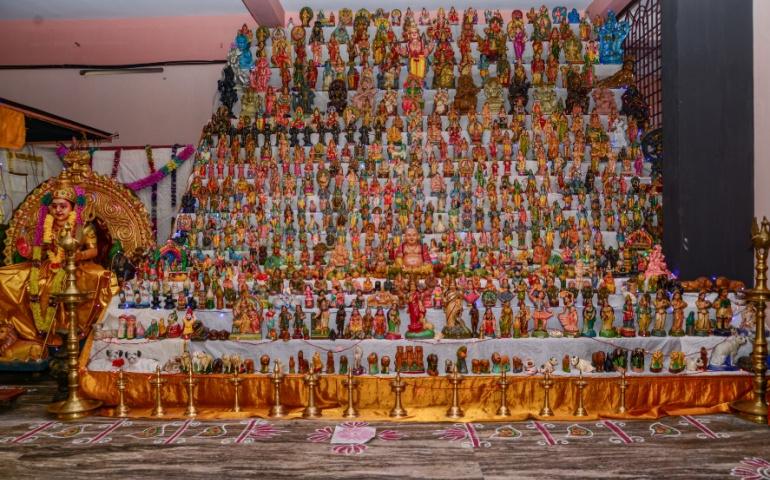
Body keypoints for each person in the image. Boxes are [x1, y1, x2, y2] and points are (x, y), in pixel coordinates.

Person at [0, 181, 114, 352]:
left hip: (77, 266)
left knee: (102, 276)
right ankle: (43, 331)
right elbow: (43, 251)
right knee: (12, 277)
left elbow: (94, 250)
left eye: (63, 206)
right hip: (50, 265)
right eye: (54, 206)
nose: (58, 210)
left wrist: (79, 255)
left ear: (73, 208)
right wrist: (29, 251)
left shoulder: (82, 227)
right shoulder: (47, 226)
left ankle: (81, 328)